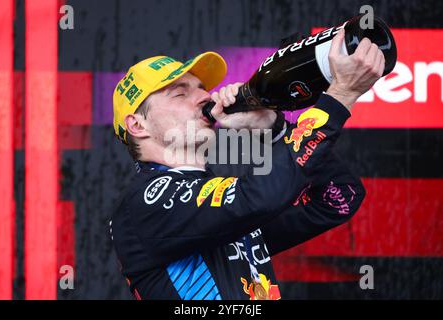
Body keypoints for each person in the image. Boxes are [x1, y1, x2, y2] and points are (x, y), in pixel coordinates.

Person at [110, 29, 384, 300]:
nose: (205, 97)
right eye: (180, 94)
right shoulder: (145, 202)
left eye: (202, 89)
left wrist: (274, 129)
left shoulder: (220, 205)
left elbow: (339, 199)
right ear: (137, 124)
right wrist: (340, 95)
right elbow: (259, 198)